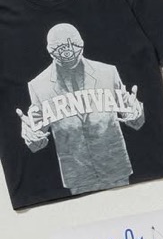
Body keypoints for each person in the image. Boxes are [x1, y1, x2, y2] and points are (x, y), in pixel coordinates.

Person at [18, 23, 145, 195]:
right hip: (77, 175)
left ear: (82, 42)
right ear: (49, 50)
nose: (67, 51)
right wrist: (31, 136)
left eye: (72, 44)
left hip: (115, 166)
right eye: (59, 47)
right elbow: (38, 141)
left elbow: (133, 120)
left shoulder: (108, 72)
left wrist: (137, 113)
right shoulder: (38, 86)